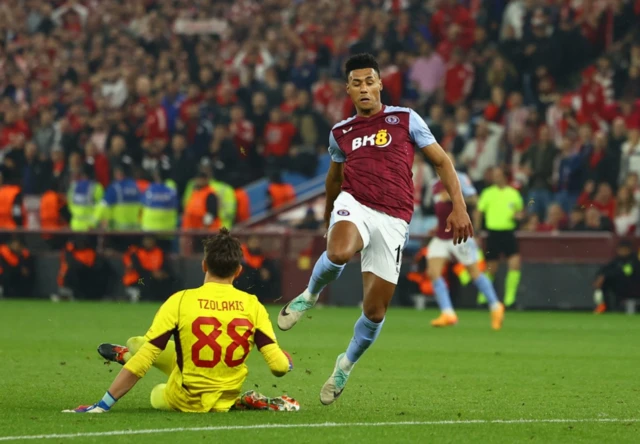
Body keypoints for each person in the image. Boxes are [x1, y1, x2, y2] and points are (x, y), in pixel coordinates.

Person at [276, 53, 472, 405]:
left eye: (370, 81)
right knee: (337, 252)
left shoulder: (406, 119)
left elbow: (442, 161)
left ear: (380, 84)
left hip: (395, 219)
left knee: (375, 312)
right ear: (347, 89)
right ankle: (309, 294)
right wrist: (328, 213)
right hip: (355, 204)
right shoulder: (341, 132)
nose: (364, 88)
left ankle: (344, 365)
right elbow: (334, 178)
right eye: (357, 83)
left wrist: (459, 206)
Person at [64, 229, 299, 413]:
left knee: (147, 367)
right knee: (144, 350)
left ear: (204, 265)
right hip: (224, 397)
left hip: (186, 397)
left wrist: (102, 405)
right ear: (238, 271)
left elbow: (146, 359)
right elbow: (278, 367)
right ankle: (239, 400)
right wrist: (287, 362)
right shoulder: (253, 305)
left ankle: (126, 354)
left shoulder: (180, 300)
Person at [427, 155, 505, 329]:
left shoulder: (460, 178)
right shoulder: (433, 184)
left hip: (459, 235)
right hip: (441, 235)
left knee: (474, 273)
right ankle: (448, 313)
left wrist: (453, 197)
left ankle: (495, 306)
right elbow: (440, 210)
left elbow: (473, 200)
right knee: (433, 272)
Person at [474, 167, 524, 308]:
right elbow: (479, 212)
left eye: (498, 175)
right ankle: (483, 298)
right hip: (493, 233)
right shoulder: (488, 193)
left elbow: (520, 212)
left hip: (508, 232)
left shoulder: (513, 193)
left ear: (504, 176)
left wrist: (518, 216)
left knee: (515, 264)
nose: (495, 177)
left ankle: (510, 300)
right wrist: (477, 231)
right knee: (491, 268)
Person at [95, 164, 142, 251]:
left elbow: (103, 206)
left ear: (119, 173)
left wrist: (94, 221)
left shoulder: (115, 188)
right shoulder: (136, 187)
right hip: (135, 232)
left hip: (118, 233)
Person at [54, 236, 109, 301]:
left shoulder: (89, 252)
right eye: (79, 242)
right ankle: (67, 294)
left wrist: (79, 265)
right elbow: (70, 262)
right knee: (69, 272)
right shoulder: (69, 252)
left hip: (85, 278)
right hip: (69, 280)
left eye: (82, 242)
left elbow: (90, 268)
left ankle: (79, 295)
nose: (80, 244)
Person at [122, 235, 175, 303]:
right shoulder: (137, 252)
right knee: (146, 281)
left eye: (151, 240)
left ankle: (167, 299)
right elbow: (138, 269)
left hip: (155, 276)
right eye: (147, 240)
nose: (149, 242)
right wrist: (152, 273)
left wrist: (163, 273)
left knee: (171, 279)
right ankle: (139, 294)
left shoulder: (159, 251)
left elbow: (165, 265)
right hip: (138, 279)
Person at [593, 239, 640, 314]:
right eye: (621, 249)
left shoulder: (634, 261)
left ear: (629, 250)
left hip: (633, 289)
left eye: (625, 249)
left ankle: (609, 307)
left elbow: (625, 272)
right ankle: (602, 305)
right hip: (619, 289)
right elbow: (604, 269)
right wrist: (601, 276)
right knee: (603, 283)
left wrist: (605, 276)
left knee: (609, 279)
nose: (622, 251)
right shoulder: (617, 260)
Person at [140, 168, 178, 252]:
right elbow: (177, 207)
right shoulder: (172, 191)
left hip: (150, 231)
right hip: (166, 232)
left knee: (150, 259)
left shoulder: (149, 189)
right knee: (165, 259)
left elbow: (141, 206)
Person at [234, 236, 281, 302]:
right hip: (240, 278)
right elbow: (249, 264)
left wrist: (265, 270)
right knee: (251, 275)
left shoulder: (260, 253)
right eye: (253, 242)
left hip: (254, 277)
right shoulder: (241, 252)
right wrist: (260, 270)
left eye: (256, 242)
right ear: (248, 242)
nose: (255, 244)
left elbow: (260, 263)